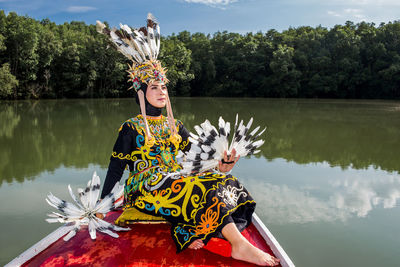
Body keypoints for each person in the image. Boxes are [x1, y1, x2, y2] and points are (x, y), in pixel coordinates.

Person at [96, 15, 280, 266]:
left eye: (164, 87)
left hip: (175, 180)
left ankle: (195, 232)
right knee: (193, 188)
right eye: (154, 88)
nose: (162, 92)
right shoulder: (131, 128)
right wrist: (102, 205)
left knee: (225, 180)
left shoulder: (177, 126)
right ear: (141, 92)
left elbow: (198, 161)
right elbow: (115, 169)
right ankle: (238, 245)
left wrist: (222, 166)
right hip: (143, 189)